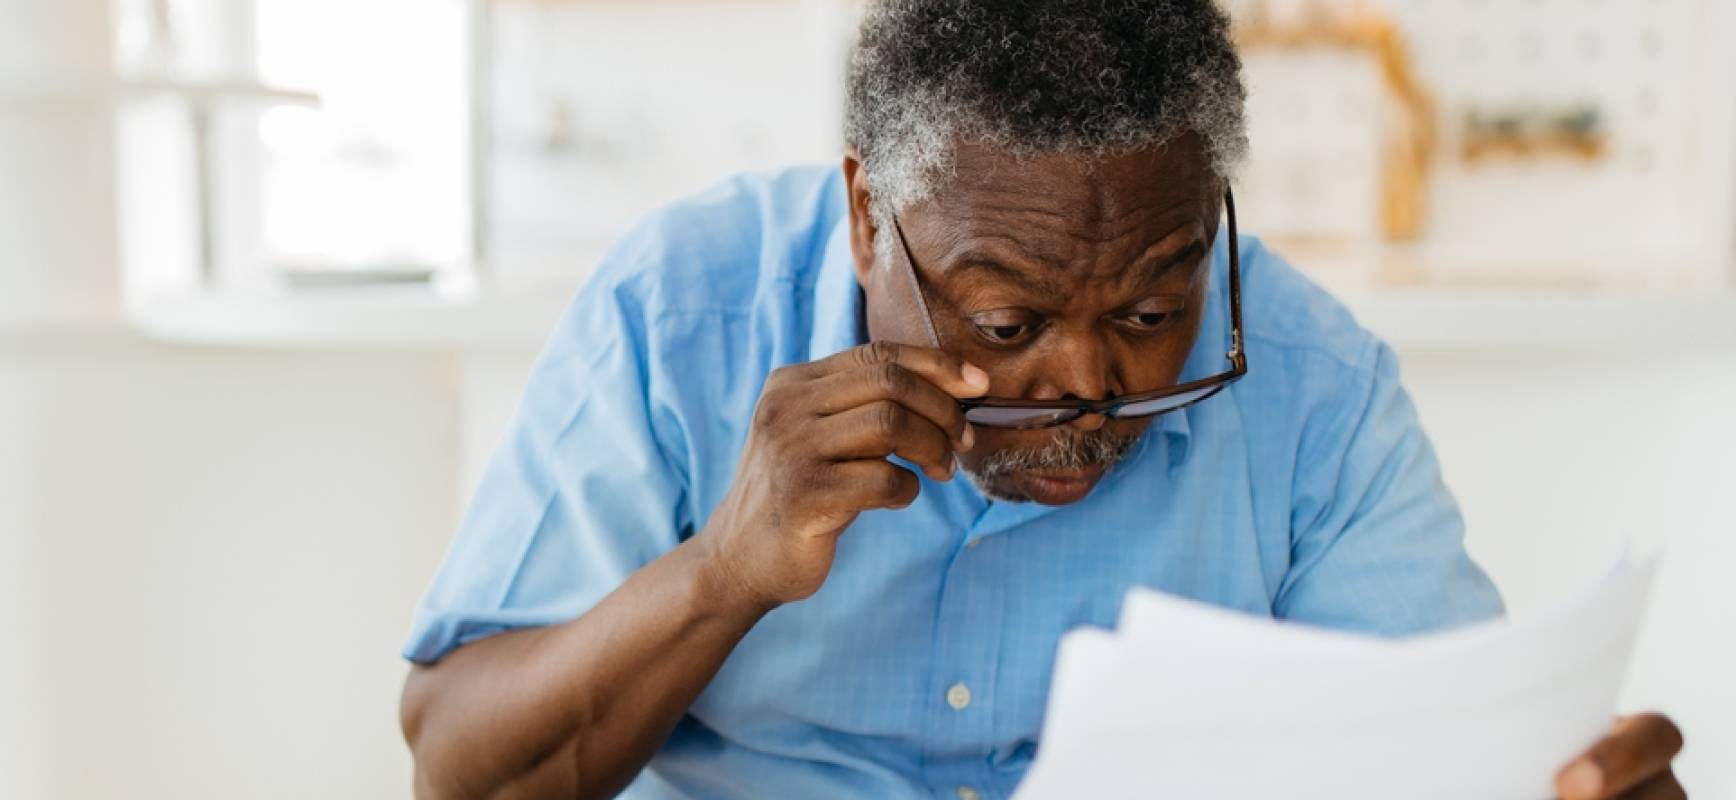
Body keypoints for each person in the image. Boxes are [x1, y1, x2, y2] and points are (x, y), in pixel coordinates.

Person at [397, 1, 1685, 797]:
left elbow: (1442, 756)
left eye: (1150, 311)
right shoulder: (680, 314)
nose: (1089, 389)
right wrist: (721, 574)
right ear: (865, 216)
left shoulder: (1315, 388)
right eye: (1007, 322)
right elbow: (459, 768)